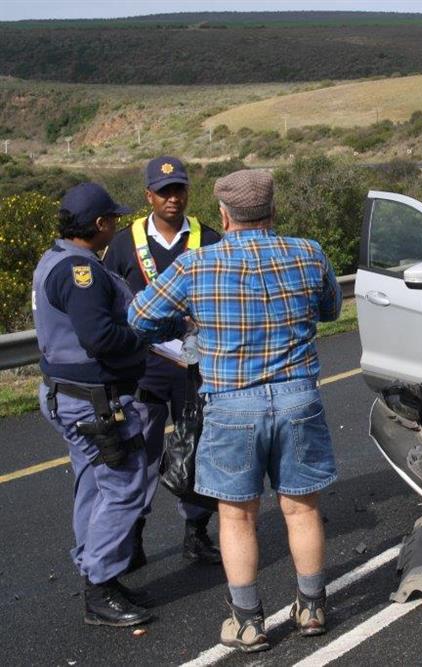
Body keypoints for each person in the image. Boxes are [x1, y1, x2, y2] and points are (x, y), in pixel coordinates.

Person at [129, 169, 342, 652]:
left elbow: (138, 316)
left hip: (232, 405)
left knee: (237, 516)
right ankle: (311, 607)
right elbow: (330, 309)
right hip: (297, 397)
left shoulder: (196, 265)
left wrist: (192, 326)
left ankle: (247, 622)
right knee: (302, 507)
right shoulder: (308, 252)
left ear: (223, 215)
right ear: (272, 211)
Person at [32, 182, 154, 626]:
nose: (117, 226)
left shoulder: (57, 257)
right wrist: (145, 339)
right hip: (94, 403)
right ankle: (100, 588)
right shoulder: (79, 272)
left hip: (73, 396)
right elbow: (100, 337)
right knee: (123, 488)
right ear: (99, 224)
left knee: (94, 485)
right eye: (113, 220)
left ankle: (95, 569)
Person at [104, 156, 223, 570]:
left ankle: (197, 532)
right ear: (148, 195)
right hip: (146, 368)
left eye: (179, 190)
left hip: (196, 366)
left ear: (189, 192)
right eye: (164, 191)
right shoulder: (123, 243)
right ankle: (132, 538)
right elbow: (110, 301)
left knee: (198, 453)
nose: (173, 198)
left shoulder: (209, 239)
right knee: (142, 456)